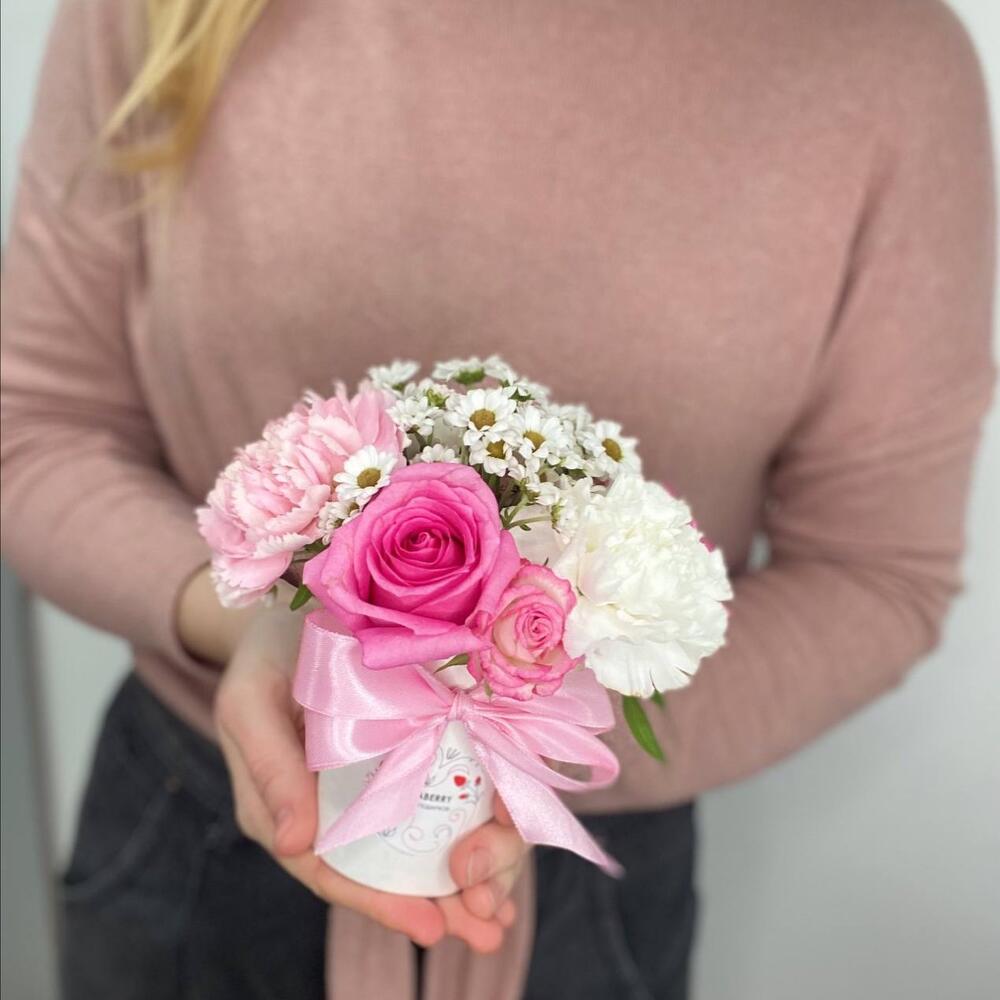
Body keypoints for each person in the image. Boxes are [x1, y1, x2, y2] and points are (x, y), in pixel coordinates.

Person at [1, 1, 994, 998]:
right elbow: (34, 426)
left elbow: (876, 577)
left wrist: (524, 746)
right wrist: (259, 628)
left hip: (582, 888)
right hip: (198, 839)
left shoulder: (884, 60)